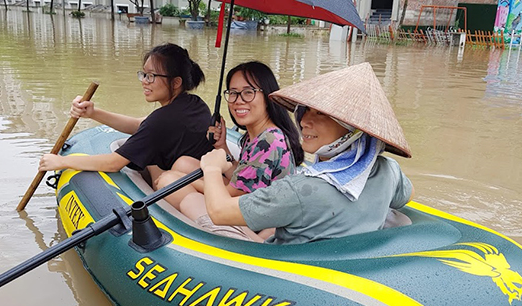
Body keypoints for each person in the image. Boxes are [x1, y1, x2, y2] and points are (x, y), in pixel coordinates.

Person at [199, 62, 414, 244]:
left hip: (280, 271)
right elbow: (407, 195)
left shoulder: (301, 189)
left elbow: (219, 212)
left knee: (193, 205)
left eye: (321, 114)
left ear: (353, 128)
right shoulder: (390, 171)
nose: (303, 121)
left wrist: (211, 168)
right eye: (306, 110)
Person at [155, 61, 303, 241]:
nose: (238, 100)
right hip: (251, 206)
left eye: (248, 92)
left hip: (263, 223)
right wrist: (221, 146)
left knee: (168, 182)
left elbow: (230, 194)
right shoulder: (255, 134)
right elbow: (243, 178)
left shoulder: (270, 140)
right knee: (183, 163)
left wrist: (179, 179)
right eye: (233, 93)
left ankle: (250, 242)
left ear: (267, 96)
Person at [39, 43, 213, 183]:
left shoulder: (163, 120)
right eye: (144, 74)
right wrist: (93, 113)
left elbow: (114, 163)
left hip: (188, 184)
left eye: (151, 76)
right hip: (199, 175)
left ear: (175, 83)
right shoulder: (194, 104)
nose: (144, 82)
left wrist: (61, 162)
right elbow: (140, 125)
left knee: (150, 163)